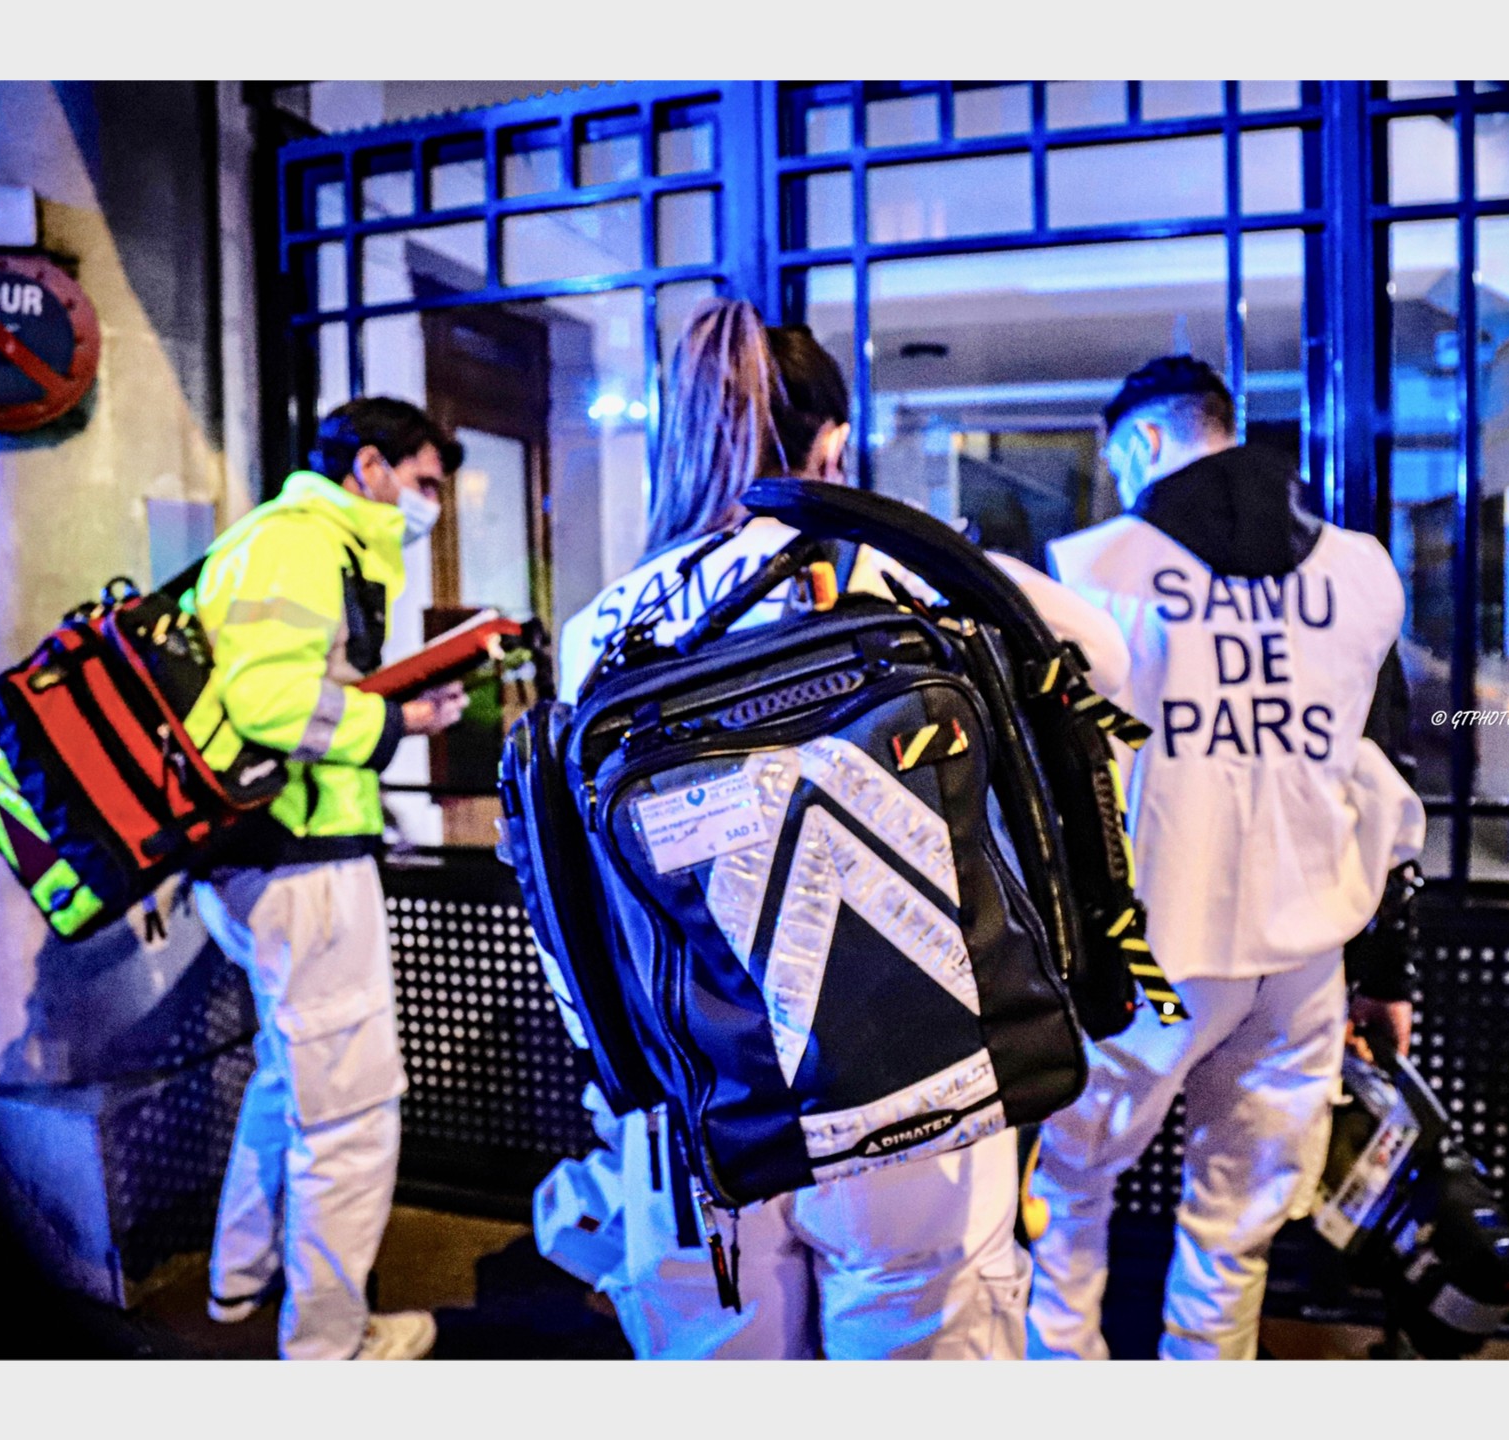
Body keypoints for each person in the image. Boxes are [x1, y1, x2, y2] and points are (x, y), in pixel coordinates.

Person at [534, 300, 1128, 1359]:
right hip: (918, 1083)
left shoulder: (604, 627)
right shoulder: (912, 577)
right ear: (835, 446)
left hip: (704, 1106)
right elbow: (1105, 665)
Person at [1024, 357, 1426, 1361]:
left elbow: (1051, 787)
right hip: (1306, 961)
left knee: (1067, 1190)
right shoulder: (1362, 574)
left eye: (1120, 462)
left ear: (1146, 440)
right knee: (1238, 1220)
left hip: (1152, 954)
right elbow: (1384, 776)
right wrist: (1388, 970)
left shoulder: (1092, 573)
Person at [185, 398, 471, 1360]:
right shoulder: (303, 541)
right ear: (368, 466)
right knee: (350, 1116)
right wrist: (398, 723)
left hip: (265, 860)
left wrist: (395, 710)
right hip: (300, 863)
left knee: (291, 1076)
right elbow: (270, 700)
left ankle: (238, 1280)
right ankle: (330, 1352)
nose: (431, 503)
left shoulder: (284, 538)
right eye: (421, 481)